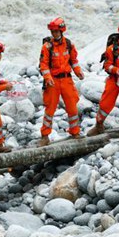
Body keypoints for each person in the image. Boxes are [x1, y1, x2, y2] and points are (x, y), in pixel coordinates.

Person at [39, 17, 84, 146]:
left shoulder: (69, 45)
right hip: (53, 81)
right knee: (50, 109)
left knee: (72, 107)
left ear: (62, 31)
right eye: (53, 32)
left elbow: (74, 61)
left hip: (66, 80)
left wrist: (78, 72)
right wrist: (48, 78)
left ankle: (75, 132)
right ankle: (45, 135)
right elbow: (44, 65)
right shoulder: (47, 47)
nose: (55, 34)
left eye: (57, 31)